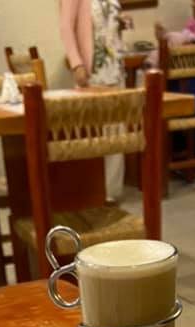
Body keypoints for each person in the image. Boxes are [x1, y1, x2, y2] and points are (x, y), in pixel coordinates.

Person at [58, 0, 132, 200]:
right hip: (93, 73)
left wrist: (120, 22)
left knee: (116, 133)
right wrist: (76, 63)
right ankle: (92, 192)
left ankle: (111, 194)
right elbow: (65, 27)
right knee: (93, 134)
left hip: (114, 69)